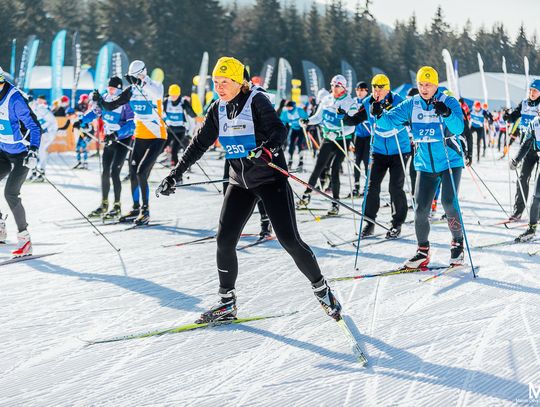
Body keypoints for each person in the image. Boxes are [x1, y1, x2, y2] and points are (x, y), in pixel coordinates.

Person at [157, 56, 342, 323]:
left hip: (270, 182)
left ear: (238, 81)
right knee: (224, 241)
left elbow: (279, 132)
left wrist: (266, 149)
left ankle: (322, 289)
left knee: (289, 241)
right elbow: (198, 144)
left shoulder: (256, 100)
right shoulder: (217, 108)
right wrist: (175, 174)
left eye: (224, 82)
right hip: (240, 183)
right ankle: (226, 303)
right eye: (216, 82)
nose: (219, 87)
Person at [373, 66, 467, 267]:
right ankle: (422, 251)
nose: (424, 88)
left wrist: (447, 113)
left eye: (429, 84)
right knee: (421, 209)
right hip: (424, 165)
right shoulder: (411, 105)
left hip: (450, 161)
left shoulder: (448, 101)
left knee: (449, 202)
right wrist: (379, 113)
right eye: (421, 84)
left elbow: (459, 127)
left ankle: (457, 243)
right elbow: (387, 123)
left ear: (436, 85)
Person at [93, 60, 167, 225]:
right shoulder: (132, 90)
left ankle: (145, 209)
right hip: (140, 136)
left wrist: (142, 82)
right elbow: (112, 105)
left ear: (144, 72)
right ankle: (135, 207)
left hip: (157, 136)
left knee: (142, 172)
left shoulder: (156, 86)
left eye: (139, 75)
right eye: (133, 77)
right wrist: (99, 101)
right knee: (133, 171)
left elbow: (156, 94)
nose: (136, 79)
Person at [296, 75, 360, 215]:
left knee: (335, 169)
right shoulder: (327, 99)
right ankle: (306, 195)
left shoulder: (350, 102)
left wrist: (338, 134)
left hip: (343, 139)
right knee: (319, 167)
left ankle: (335, 204)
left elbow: (352, 127)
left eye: (337, 86)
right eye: (332, 85)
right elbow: (318, 117)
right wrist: (307, 121)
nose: (334, 88)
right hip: (328, 137)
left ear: (343, 87)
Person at [360, 74, 411, 239]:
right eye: (374, 86)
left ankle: (397, 224)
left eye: (380, 87)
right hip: (379, 150)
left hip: (399, 150)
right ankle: (369, 222)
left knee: (395, 187)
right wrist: (346, 118)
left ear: (387, 88)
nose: (377, 90)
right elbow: (360, 116)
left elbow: (406, 120)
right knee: (371, 186)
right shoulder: (368, 102)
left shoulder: (399, 101)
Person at [76, 77, 135, 219]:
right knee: (105, 173)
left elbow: (132, 125)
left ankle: (117, 205)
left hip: (122, 140)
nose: (110, 90)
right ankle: (104, 204)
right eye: (109, 87)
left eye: (113, 88)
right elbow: (95, 112)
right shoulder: (105, 99)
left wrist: (117, 134)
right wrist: (81, 121)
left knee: (115, 172)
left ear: (120, 88)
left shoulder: (125, 102)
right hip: (109, 139)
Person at [0, 67, 41, 256]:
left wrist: (33, 150)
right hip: (3, 152)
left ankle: (25, 240)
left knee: (10, 193)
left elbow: (35, 126)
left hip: (21, 153)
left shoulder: (15, 99)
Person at [503, 79, 540, 221]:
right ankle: (518, 211)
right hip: (527, 148)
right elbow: (513, 117)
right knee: (522, 179)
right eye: (530, 90)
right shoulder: (524, 104)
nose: (532, 93)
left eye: (535, 91)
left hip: (539, 147)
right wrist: (507, 116)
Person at [511, 113, 540, 242]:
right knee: (537, 195)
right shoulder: (535, 123)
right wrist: (517, 159)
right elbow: (526, 143)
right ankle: (531, 229)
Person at [163, 84, 197, 170]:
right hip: (170, 129)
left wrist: (198, 119)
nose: (174, 97)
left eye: (176, 95)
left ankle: (177, 171)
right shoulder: (166, 101)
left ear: (179, 94)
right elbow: (160, 111)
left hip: (180, 130)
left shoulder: (183, 101)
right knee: (161, 147)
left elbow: (191, 112)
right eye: (172, 95)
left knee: (175, 150)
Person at [30, 95, 58, 181]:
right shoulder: (30, 110)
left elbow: (52, 121)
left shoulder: (40, 109)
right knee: (33, 152)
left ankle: (42, 173)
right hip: (37, 133)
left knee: (41, 152)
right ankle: (34, 172)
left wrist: (43, 128)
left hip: (46, 133)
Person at [350, 81, 371, 197]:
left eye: (362, 90)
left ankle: (367, 186)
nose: (360, 92)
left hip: (368, 136)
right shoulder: (353, 102)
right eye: (358, 90)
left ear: (366, 91)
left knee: (366, 161)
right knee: (356, 161)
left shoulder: (368, 102)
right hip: (358, 136)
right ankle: (356, 186)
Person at [279, 100, 308, 170]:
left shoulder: (299, 110)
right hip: (293, 129)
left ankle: (301, 162)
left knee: (299, 144)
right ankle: (290, 161)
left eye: (290, 107)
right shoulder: (285, 113)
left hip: (301, 129)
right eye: (287, 107)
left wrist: (305, 124)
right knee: (291, 145)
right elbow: (282, 121)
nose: (289, 108)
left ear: (293, 106)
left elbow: (306, 118)